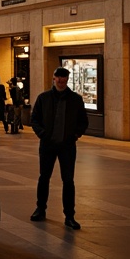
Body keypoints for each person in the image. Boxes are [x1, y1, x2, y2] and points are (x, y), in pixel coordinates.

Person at [30, 66, 89, 229]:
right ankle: (40, 209)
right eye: (58, 77)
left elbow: (83, 121)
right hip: (48, 145)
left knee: (68, 180)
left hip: (67, 146)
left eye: (64, 78)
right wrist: (42, 134)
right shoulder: (44, 98)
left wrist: (75, 135)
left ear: (67, 79)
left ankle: (69, 215)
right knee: (44, 177)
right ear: (53, 78)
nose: (61, 81)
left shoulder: (75, 99)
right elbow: (34, 119)